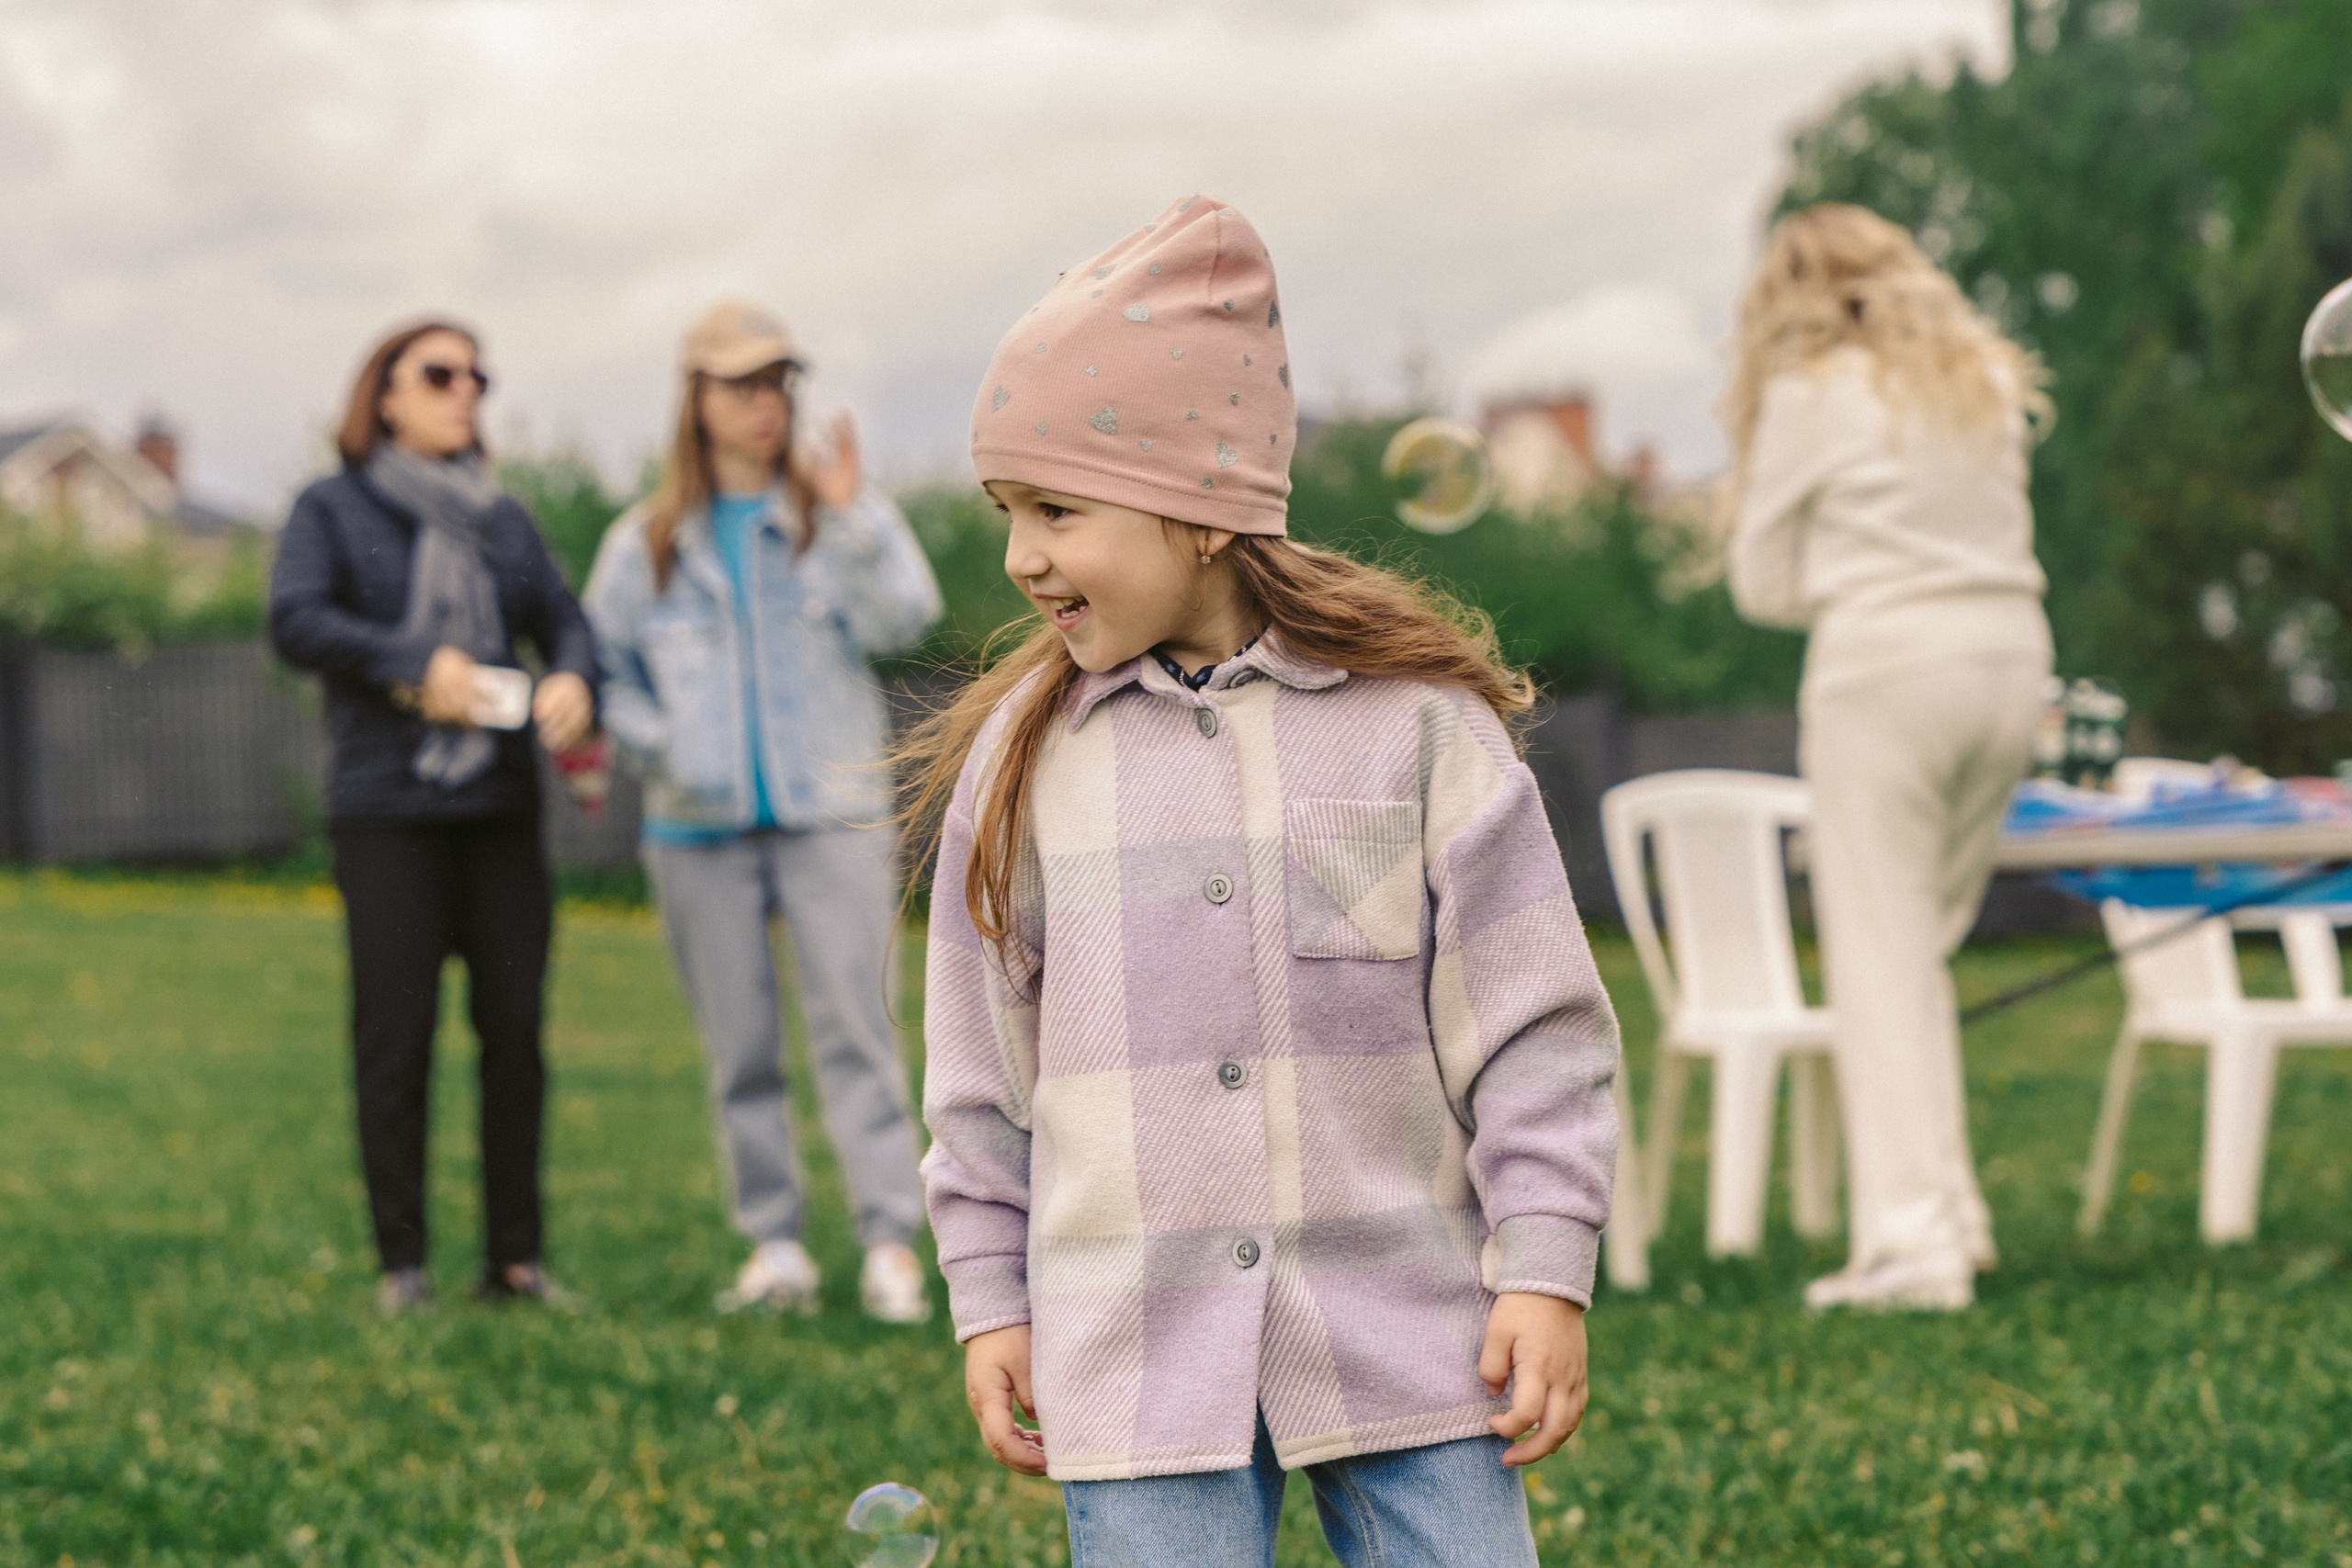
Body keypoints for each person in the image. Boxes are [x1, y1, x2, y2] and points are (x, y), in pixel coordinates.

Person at [903, 195, 1621, 1568]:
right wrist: (993, 1297)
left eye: (1055, 507)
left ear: (1205, 509)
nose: (1020, 557)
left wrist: (1543, 1259)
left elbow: (1537, 1024)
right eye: (1008, 511)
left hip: (1416, 1328)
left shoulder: (1420, 729)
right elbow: (978, 1075)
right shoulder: (1022, 763)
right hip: (1131, 1344)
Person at [1721, 203, 2055, 1312]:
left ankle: (1915, 1249)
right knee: (1918, 949)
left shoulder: (1813, 391)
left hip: (1885, 676)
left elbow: (1761, 583)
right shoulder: (1985, 384)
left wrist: (1851, 564)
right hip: (2012, 664)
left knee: (1879, 959)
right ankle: (1952, 1214)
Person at [582, 300, 943, 1323]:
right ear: (694, 400)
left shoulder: (838, 518)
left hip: (830, 816)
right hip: (693, 831)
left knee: (860, 1031)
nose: (764, 404)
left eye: (777, 382)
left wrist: (856, 515)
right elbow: (601, 673)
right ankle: (775, 1247)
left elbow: (906, 619)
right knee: (738, 1046)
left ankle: (889, 1248)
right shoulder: (642, 546)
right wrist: (669, 749)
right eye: (739, 384)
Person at [269, 319, 600, 1314]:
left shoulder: (504, 520)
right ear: (384, 394)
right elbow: (296, 619)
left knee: (514, 1035)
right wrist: (418, 667)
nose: (467, 392)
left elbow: (567, 621)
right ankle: (401, 1265)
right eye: (442, 373)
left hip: (498, 810)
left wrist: (577, 679)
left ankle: (514, 1261)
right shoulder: (331, 506)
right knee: (395, 1040)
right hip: (388, 814)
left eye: (478, 377)